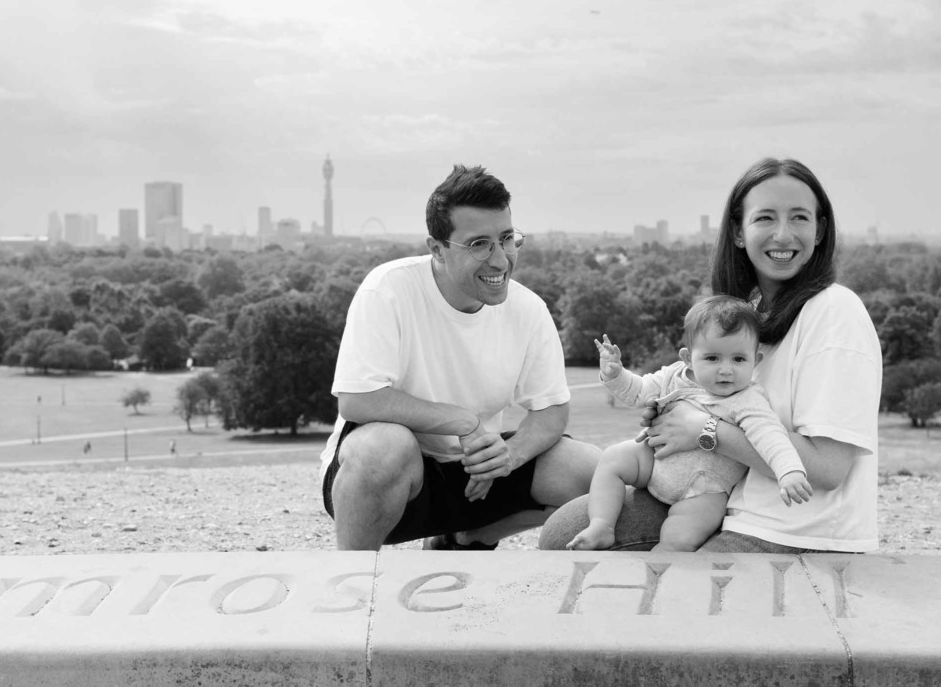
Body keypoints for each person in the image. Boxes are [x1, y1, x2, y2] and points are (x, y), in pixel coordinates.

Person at [540, 157, 882, 553]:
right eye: (765, 218)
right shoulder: (747, 316)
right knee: (565, 530)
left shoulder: (835, 311)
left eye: (800, 218)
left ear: (820, 230)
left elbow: (828, 468)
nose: (783, 235)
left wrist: (704, 431)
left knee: (668, 579)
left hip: (794, 532)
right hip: (732, 502)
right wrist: (669, 417)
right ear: (738, 232)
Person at [320, 164, 599, 551]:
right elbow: (357, 398)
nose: (501, 260)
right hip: (395, 482)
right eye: (479, 244)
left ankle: (466, 538)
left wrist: (509, 456)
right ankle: (353, 581)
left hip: (476, 476)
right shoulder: (388, 290)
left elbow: (551, 411)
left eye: (506, 239)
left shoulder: (528, 309)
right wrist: (461, 421)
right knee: (383, 447)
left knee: (596, 475)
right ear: (437, 248)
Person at [566, 296, 809, 552]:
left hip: (704, 489)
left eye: (738, 359)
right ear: (688, 358)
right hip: (653, 462)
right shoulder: (673, 376)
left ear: (755, 361)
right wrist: (614, 374)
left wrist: (789, 470)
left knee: (681, 536)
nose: (726, 370)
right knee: (615, 457)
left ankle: (663, 564)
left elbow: (770, 435)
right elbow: (637, 392)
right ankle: (602, 525)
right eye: (712, 358)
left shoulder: (748, 399)